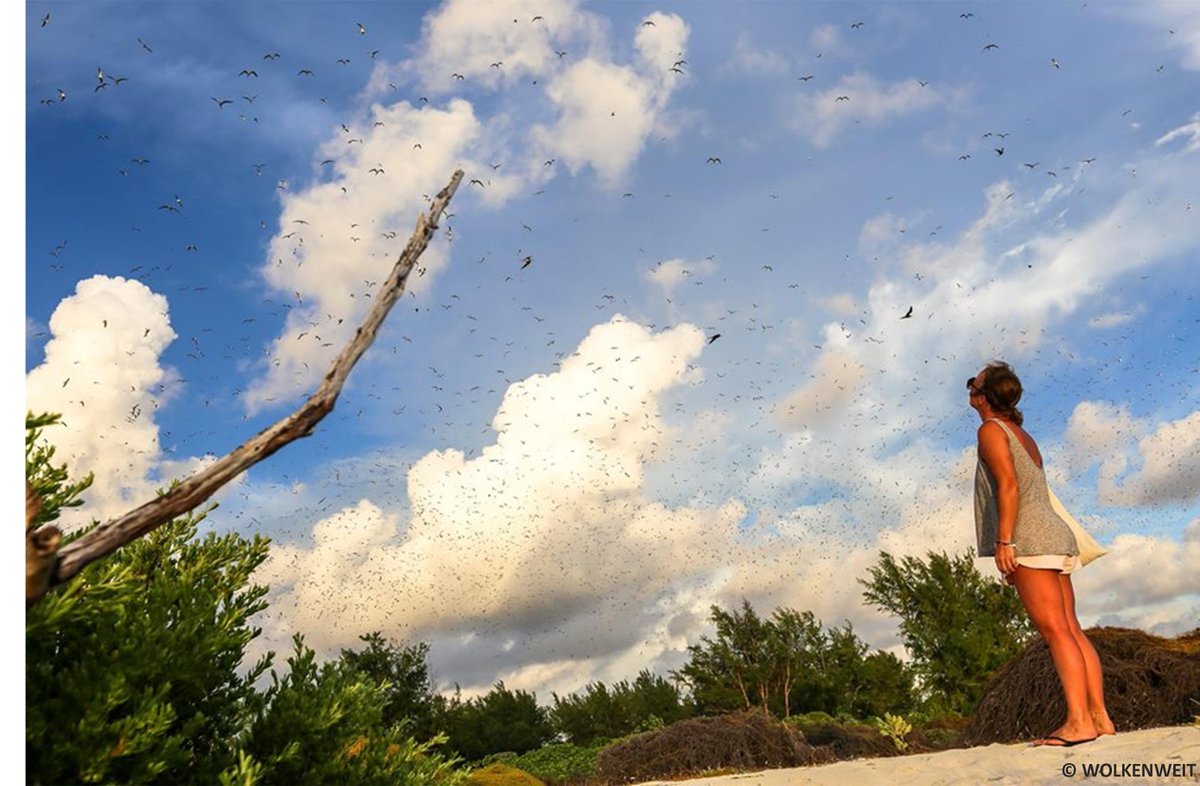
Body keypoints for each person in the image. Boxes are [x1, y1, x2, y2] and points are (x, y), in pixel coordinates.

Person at [970, 361, 1115, 746]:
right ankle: (1099, 718)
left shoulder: (990, 430)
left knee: (1055, 633)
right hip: (1054, 534)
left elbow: (1009, 487)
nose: (969, 388)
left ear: (982, 397)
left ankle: (1079, 722)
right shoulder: (1021, 433)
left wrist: (1005, 543)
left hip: (1031, 539)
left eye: (973, 383)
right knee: (1070, 629)